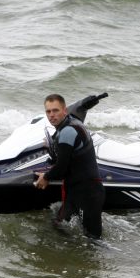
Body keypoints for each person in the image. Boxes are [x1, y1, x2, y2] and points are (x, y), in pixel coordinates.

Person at [34, 94, 105, 239]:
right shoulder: (72, 122)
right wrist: (51, 146)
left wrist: (46, 177)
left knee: (93, 240)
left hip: (88, 193)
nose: (52, 115)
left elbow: (62, 167)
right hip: (76, 191)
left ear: (64, 111)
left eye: (55, 111)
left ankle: (94, 261)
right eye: (48, 112)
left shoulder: (67, 131)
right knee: (58, 224)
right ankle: (73, 259)